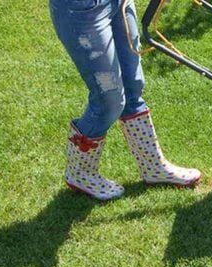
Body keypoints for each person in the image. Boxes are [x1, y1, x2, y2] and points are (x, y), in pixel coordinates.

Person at [49, 0, 201, 200]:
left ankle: (153, 167)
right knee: (108, 100)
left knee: (133, 87)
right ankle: (80, 173)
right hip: (82, 10)